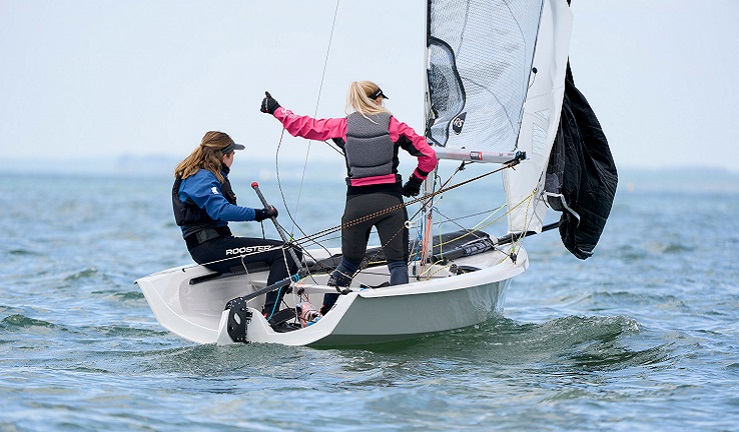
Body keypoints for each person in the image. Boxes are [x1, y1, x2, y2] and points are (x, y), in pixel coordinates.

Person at [260, 81, 438, 313]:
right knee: (397, 264)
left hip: (356, 205)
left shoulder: (341, 126)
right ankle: (400, 313)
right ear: (378, 99)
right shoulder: (396, 126)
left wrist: (276, 109)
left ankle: (325, 315)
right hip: (390, 202)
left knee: (349, 263)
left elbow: (302, 126)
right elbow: (429, 156)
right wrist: (415, 182)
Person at [172, 131, 302, 318]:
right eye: (232, 155)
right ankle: (270, 314)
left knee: (288, 251)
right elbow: (222, 210)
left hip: (218, 243)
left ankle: (270, 310)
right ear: (225, 155)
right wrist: (261, 214)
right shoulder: (201, 178)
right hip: (209, 248)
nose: (233, 159)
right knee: (288, 252)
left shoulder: (205, 176)